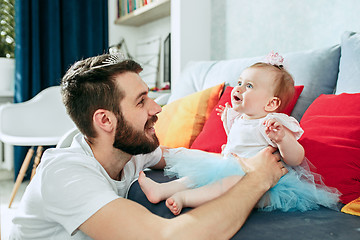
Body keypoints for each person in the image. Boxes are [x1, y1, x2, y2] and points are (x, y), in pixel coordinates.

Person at [9, 53, 287, 240]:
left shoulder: (127, 152)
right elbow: (168, 236)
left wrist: (236, 163)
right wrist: (257, 179)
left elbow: (174, 154)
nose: (157, 108)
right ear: (105, 120)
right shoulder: (66, 175)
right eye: (141, 101)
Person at [139, 52, 340, 215]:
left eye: (249, 86)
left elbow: (296, 158)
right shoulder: (239, 118)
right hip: (230, 165)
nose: (239, 88)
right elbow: (236, 141)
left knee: (227, 184)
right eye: (240, 82)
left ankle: (186, 199)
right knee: (195, 175)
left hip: (257, 179)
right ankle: (162, 190)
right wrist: (228, 123)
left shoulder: (272, 124)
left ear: (271, 103)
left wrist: (283, 139)